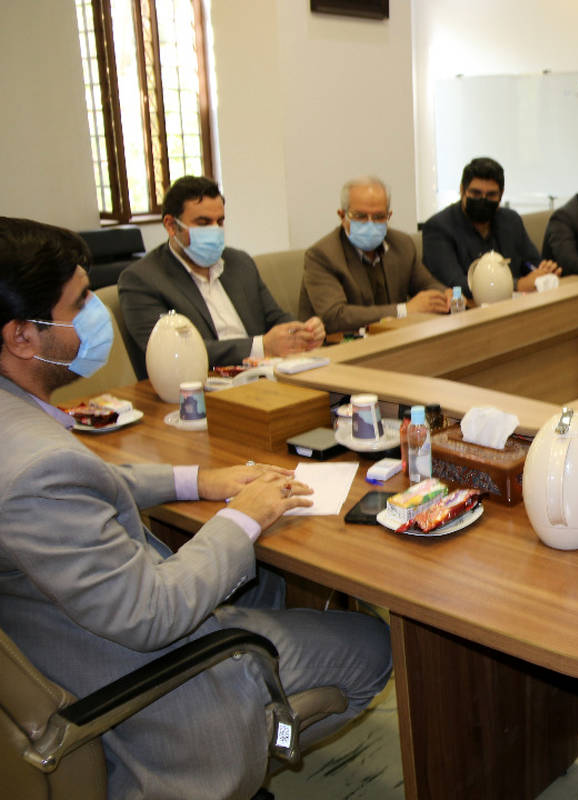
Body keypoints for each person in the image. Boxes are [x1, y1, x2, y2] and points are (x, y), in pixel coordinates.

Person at [0, 217, 392, 799]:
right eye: (78, 303)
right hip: (150, 688)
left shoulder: (17, 428)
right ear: (22, 337)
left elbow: (95, 482)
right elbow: (152, 613)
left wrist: (201, 480)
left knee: (265, 578)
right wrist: (245, 514)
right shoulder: (38, 470)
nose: (94, 313)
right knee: (373, 645)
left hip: (65, 640)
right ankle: (248, 744)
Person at [118, 176, 325, 378]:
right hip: (202, 385)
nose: (215, 230)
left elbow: (274, 317)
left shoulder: (239, 262)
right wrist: (260, 346)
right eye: (203, 223)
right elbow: (174, 353)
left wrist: (304, 331)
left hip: (265, 373)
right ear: (171, 225)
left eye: (220, 221)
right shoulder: (142, 280)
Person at [300, 176, 450, 333]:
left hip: (393, 338)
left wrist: (445, 295)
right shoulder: (322, 255)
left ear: (389, 216)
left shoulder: (402, 244)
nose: (370, 223)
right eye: (360, 216)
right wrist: (404, 310)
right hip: (342, 343)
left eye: (379, 217)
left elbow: (427, 284)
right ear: (342, 216)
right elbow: (335, 316)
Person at [420, 157, 560, 298]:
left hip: (518, 303)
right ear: (462, 190)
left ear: (501, 195)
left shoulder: (511, 220)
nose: (483, 200)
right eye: (476, 193)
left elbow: (532, 262)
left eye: (491, 195)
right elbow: (455, 283)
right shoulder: (438, 228)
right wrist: (516, 284)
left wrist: (545, 271)